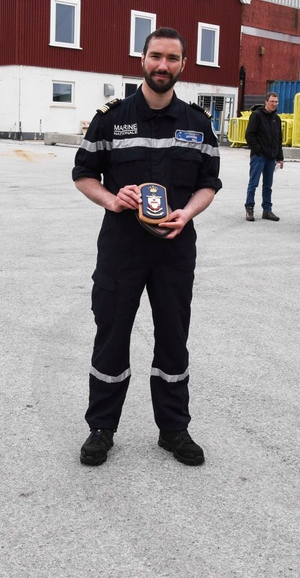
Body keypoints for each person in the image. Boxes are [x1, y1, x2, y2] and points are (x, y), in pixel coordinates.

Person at [72, 27, 221, 467]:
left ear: (182, 65)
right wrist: (111, 199)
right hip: (122, 247)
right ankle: (101, 428)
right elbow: (83, 175)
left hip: (175, 249)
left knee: (174, 338)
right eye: (156, 56)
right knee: (112, 334)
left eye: (172, 58)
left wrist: (188, 213)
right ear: (143, 58)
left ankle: (174, 429)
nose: (163, 65)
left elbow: (209, 183)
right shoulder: (111, 117)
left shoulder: (197, 121)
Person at [244, 91, 284, 221]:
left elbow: (278, 139)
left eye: (276, 102)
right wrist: (258, 150)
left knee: (268, 185)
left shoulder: (276, 119)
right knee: (253, 183)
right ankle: (249, 208)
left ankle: (267, 210)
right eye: (272, 101)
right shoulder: (256, 116)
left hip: (271, 158)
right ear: (266, 101)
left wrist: (280, 157)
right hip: (259, 156)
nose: (274, 104)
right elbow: (249, 135)